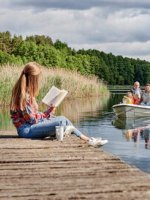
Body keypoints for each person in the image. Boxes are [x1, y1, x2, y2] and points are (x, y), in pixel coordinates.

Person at [10, 62, 108, 147]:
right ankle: (76, 134)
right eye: (38, 78)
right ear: (33, 79)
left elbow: (32, 117)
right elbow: (32, 120)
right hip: (26, 130)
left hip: (29, 127)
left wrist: (48, 114)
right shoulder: (25, 96)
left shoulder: (25, 93)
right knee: (61, 120)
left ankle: (87, 139)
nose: (40, 81)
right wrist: (47, 113)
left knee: (62, 119)